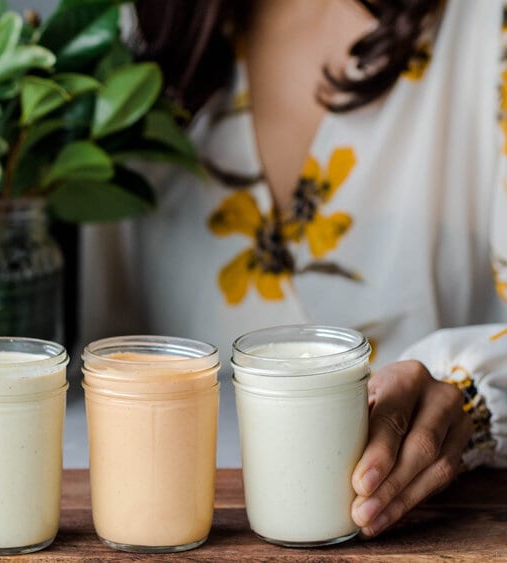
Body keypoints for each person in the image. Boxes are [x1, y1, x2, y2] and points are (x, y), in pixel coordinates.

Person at [86, 0, 507, 538]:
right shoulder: (134, 40)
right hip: (173, 535)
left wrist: (472, 398)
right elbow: (89, 354)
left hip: (425, 532)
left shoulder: (484, 25)